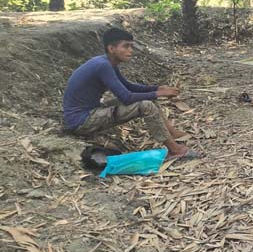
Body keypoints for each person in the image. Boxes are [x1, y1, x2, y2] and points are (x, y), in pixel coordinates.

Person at [62, 28, 196, 159]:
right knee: (146, 106)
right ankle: (174, 150)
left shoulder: (107, 62)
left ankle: (172, 133)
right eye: (126, 46)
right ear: (111, 48)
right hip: (82, 121)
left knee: (150, 100)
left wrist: (158, 88)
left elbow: (128, 86)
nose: (130, 50)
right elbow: (126, 97)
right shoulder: (103, 66)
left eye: (131, 46)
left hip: (90, 112)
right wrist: (159, 93)